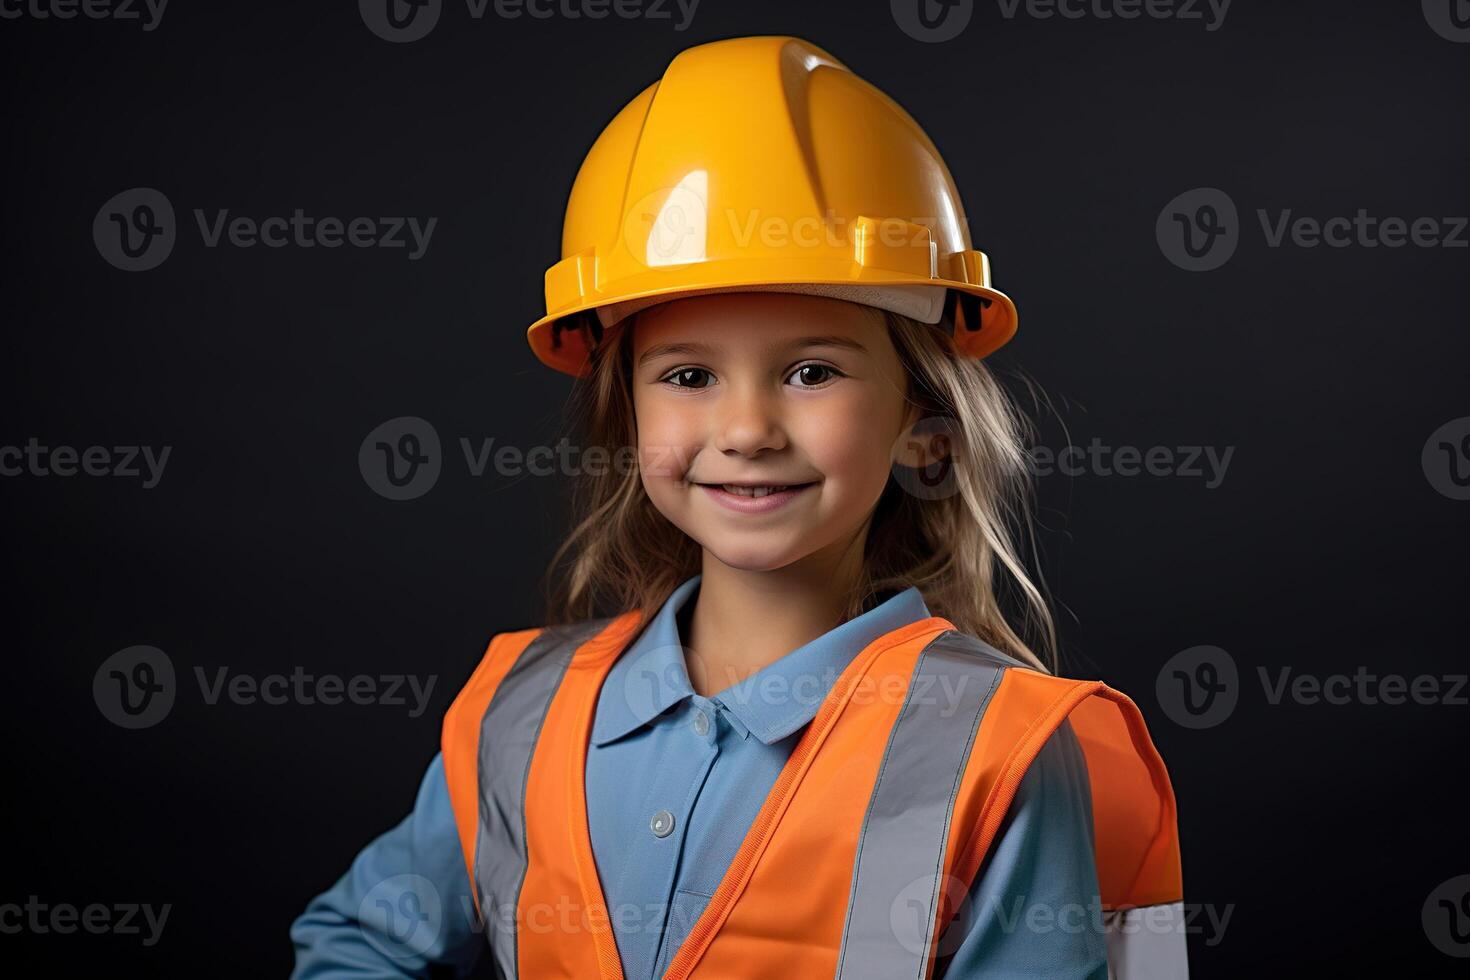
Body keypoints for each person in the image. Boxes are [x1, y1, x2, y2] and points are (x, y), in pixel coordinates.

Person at [291, 35, 1185, 979]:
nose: (748, 428)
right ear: (626, 416)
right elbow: (360, 944)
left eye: (812, 371)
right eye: (688, 374)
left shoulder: (999, 751)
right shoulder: (522, 714)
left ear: (923, 425)